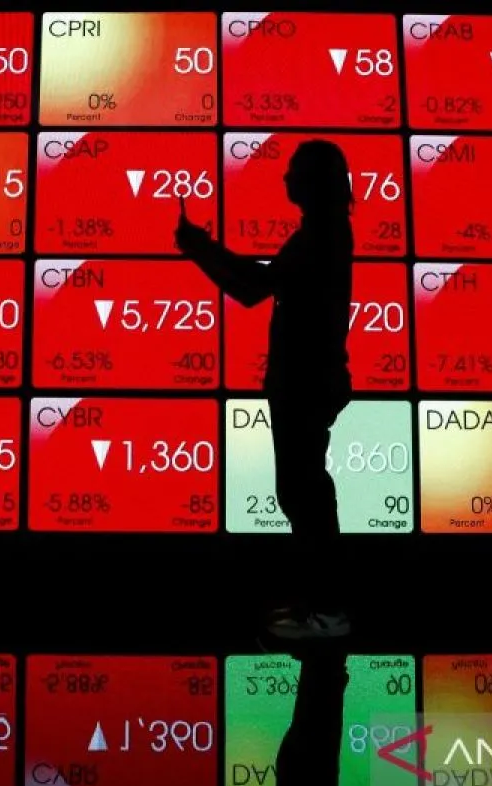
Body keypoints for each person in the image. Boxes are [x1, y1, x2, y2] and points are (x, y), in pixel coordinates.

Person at [175, 139, 354, 640]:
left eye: (294, 170)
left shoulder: (320, 237)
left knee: (305, 493)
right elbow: (257, 286)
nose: (285, 178)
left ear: (312, 181)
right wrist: (204, 251)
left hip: (305, 381)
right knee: (304, 491)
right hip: (308, 380)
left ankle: (327, 611)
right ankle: (316, 607)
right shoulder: (326, 233)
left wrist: (200, 249)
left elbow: (253, 288)